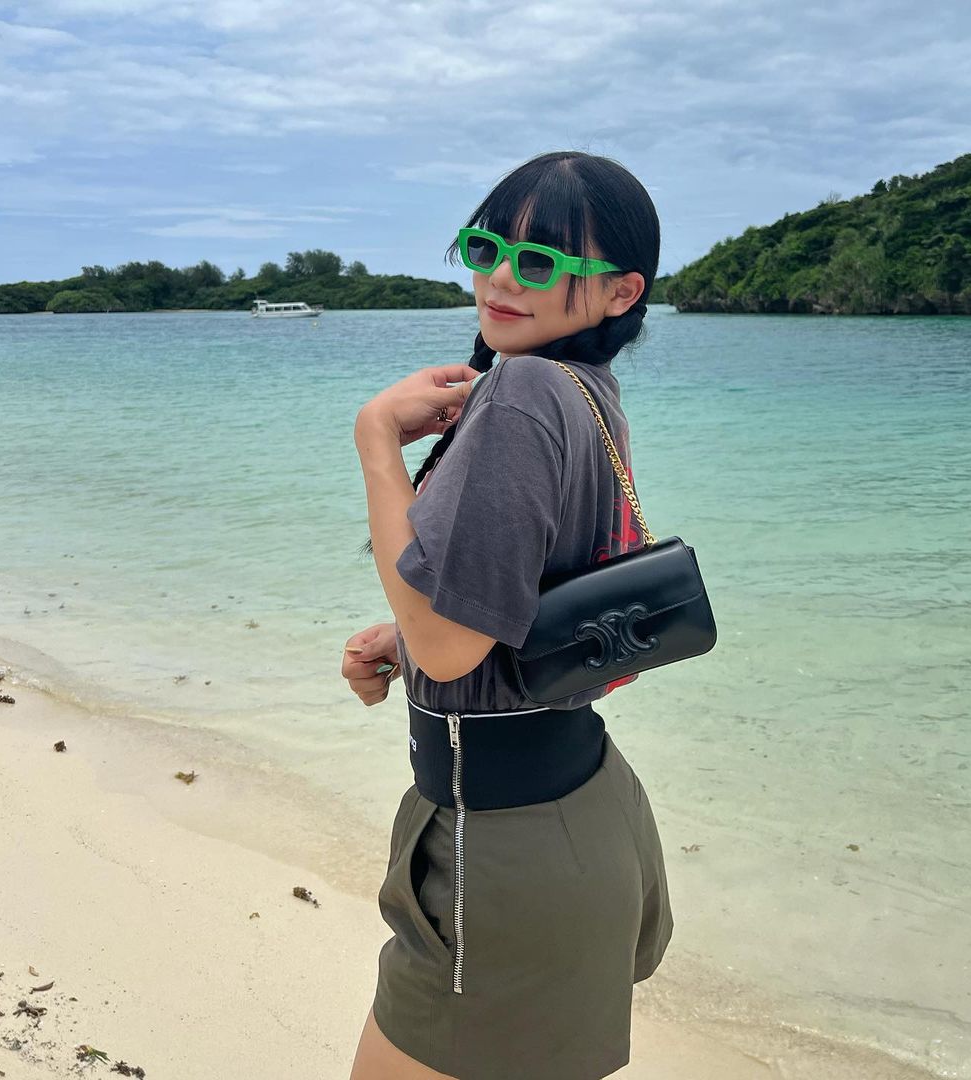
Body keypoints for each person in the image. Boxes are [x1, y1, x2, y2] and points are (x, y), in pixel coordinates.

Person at [343, 150, 673, 1080]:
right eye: (487, 249)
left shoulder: (525, 390)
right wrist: (408, 642)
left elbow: (450, 647)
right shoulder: (585, 392)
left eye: (539, 261)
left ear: (620, 292)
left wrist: (376, 439)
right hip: (575, 811)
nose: (499, 279)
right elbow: (524, 604)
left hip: (503, 847)